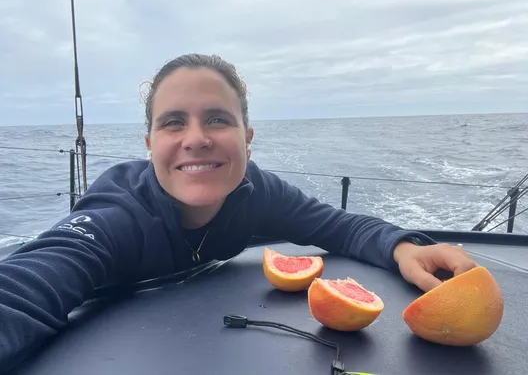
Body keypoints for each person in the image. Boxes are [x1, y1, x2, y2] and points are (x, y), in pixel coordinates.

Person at [0, 53, 476, 370]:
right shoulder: (115, 217)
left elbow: (339, 225)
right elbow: (29, 284)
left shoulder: (255, 191)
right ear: (150, 145)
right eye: (173, 123)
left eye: (217, 119)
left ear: (247, 137)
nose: (196, 138)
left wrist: (403, 246)